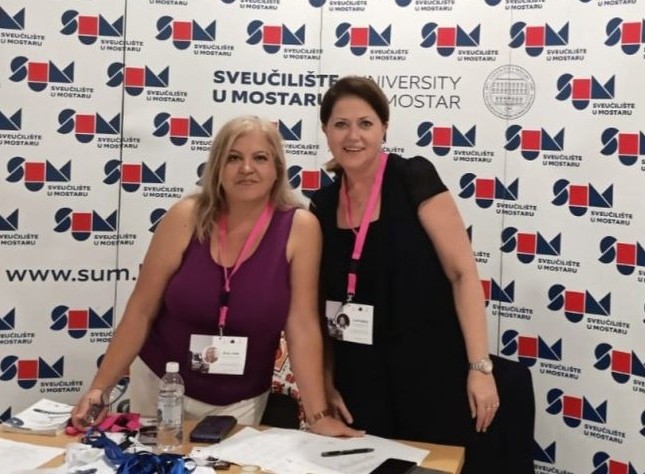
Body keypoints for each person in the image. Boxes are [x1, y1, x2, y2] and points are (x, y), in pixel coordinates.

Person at [71, 115, 361, 438]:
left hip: (241, 401)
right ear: (217, 167)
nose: (246, 168)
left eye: (260, 158)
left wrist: (318, 416)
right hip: (161, 386)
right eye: (233, 158)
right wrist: (99, 389)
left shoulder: (300, 228)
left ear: (277, 168)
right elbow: (141, 309)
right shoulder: (186, 216)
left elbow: (302, 327)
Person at [310, 76, 533, 473]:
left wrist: (480, 368)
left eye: (365, 123)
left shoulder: (413, 178)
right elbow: (318, 309)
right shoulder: (321, 206)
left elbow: (463, 275)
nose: (353, 136)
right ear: (326, 130)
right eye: (341, 124)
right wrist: (325, 382)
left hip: (433, 372)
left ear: (384, 128)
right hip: (360, 382)